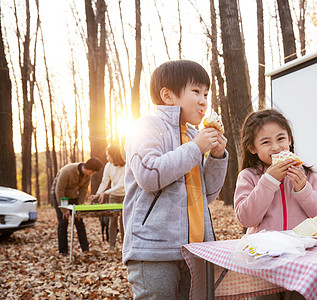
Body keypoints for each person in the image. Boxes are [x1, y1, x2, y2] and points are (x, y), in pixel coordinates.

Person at [123, 60, 228, 299]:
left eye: (206, 93)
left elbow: (207, 195)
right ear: (168, 96)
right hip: (153, 250)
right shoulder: (147, 126)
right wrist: (196, 148)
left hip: (195, 248)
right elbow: (149, 175)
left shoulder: (193, 135)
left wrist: (217, 157)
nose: (204, 100)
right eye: (196, 91)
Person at [234, 109, 317, 300]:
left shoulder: (307, 175)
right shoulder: (249, 177)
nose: (276, 147)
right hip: (264, 261)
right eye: (266, 142)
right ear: (252, 148)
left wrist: (304, 189)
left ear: (290, 140)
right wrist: (269, 181)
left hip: (304, 261)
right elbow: (247, 218)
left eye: (281, 139)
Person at [52, 157, 103, 256]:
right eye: (93, 172)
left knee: (79, 221)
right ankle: (63, 251)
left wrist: (79, 208)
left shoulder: (87, 176)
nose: (92, 175)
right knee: (63, 222)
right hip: (60, 195)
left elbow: (83, 190)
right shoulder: (67, 171)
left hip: (73, 195)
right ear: (89, 170)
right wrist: (64, 209)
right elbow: (59, 190)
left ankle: (85, 249)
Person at [91, 144, 126, 252]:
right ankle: (112, 246)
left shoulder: (126, 166)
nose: (107, 158)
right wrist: (98, 193)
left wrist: (105, 193)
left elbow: (121, 184)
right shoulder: (108, 166)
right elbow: (105, 181)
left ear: (114, 155)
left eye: (108, 156)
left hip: (125, 196)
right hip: (114, 197)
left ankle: (125, 247)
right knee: (112, 221)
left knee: (123, 222)